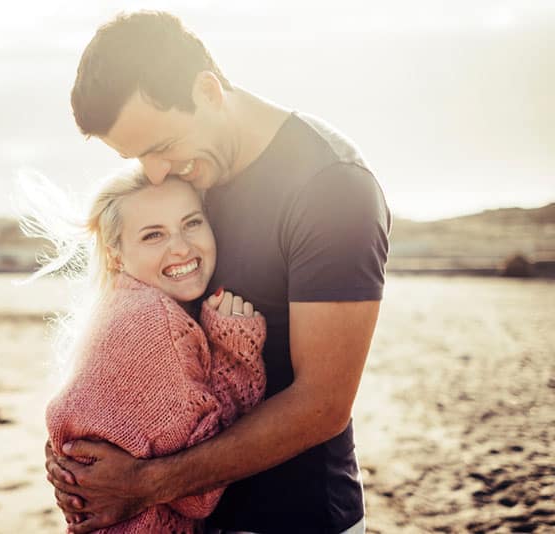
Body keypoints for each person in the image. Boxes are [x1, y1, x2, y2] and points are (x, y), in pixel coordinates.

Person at [45, 10, 391, 534]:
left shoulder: (331, 188)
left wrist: (143, 484)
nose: (155, 172)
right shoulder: (190, 171)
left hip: (294, 519)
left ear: (208, 92)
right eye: (137, 157)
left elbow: (323, 404)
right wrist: (74, 458)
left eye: (160, 147)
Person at [34, 170, 268, 532]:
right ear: (115, 256)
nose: (180, 247)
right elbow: (198, 495)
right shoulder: (156, 323)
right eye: (153, 234)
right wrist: (236, 353)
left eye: (191, 223)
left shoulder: (118, 306)